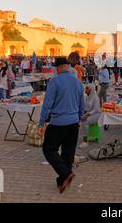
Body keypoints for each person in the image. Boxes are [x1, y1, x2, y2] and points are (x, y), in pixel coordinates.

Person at [38, 57, 84, 194]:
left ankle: (65, 173)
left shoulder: (55, 81)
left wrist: (42, 122)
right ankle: (62, 180)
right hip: (73, 122)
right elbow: (82, 104)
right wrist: (79, 118)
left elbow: (47, 104)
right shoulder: (77, 82)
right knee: (68, 153)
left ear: (58, 68)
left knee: (48, 149)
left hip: (58, 122)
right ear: (68, 67)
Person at [78, 84, 102, 149]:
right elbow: (84, 107)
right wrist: (83, 114)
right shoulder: (86, 97)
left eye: (87, 88)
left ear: (91, 89)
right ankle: (82, 136)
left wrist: (87, 114)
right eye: (85, 88)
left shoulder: (95, 98)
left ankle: (85, 141)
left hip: (96, 114)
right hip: (88, 113)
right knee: (80, 119)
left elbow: (95, 109)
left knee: (84, 122)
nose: (85, 90)